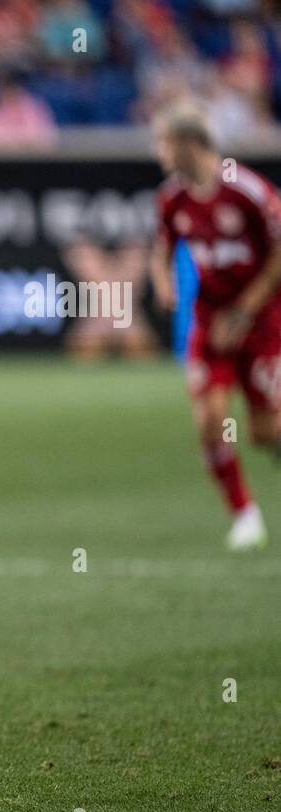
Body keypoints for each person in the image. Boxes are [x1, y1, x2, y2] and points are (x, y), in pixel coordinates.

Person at [151, 103, 281, 550]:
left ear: (189, 144)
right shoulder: (172, 198)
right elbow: (163, 248)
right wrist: (164, 284)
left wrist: (245, 311)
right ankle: (244, 513)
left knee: (266, 432)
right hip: (209, 323)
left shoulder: (246, 190)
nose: (159, 153)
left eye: (164, 143)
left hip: (261, 322)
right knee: (210, 419)